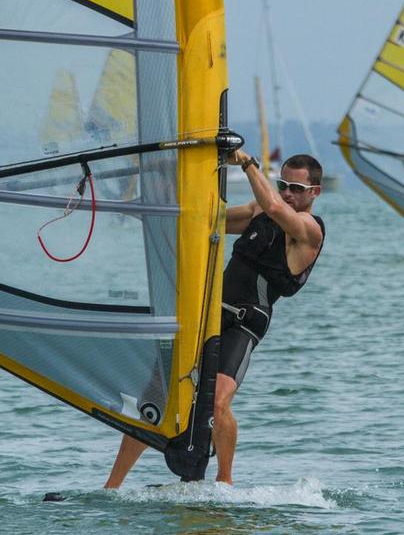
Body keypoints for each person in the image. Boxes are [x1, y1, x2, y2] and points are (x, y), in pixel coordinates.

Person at [103, 150, 326, 488]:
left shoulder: (310, 230)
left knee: (217, 402)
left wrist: (248, 163)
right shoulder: (257, 213)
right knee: (155, 396)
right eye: (282, 185)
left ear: (314, 193)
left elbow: (276, 208)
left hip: (244, 324)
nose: (287, 193)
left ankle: (225, 483)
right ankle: (112, 486)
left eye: (295, 187)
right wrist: (146, 207)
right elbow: (205, 221)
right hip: (208, 314)